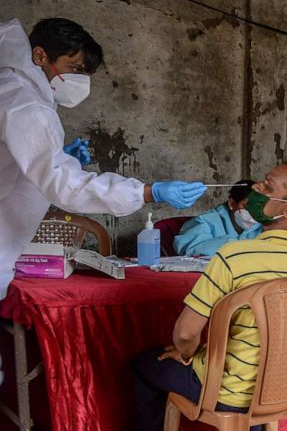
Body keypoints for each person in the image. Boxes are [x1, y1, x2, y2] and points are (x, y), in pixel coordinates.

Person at [130, 161, 287, 431]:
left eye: (268, 186)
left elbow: (184, 333)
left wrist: (187, 353)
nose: (256, 190)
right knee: (247, 354)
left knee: (143, 364)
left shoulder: (234, 257)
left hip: (227, 393)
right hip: (284, 390)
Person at [0, 17, 207, 299]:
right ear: (40, 55)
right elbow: (65, 186)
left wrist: (59, 157)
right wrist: (146, 191)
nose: (79, 81)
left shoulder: (15, 90)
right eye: (73, 69)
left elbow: (27, 162)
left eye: (84, 73)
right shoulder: (26, 104)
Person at [174, 180, 258, 257]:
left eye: (258, 208)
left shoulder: (262, 225)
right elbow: (189, 249)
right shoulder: (205, 222)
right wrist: (231, 244)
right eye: (248, 206)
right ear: (232, 204)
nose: (254, 212)